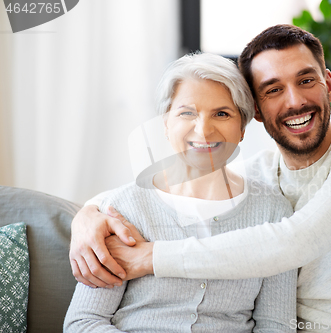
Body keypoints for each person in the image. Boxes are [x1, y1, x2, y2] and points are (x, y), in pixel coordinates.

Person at [70, 25, 331, 332]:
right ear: (256, 112)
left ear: (329, 85)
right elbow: (179, 187)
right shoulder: (261, 174)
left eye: (305, 81)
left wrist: (151, 257)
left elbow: (297, 240)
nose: (294, 101)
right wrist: (87, 215)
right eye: (273, 90)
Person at [64, 52, 297, 332]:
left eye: (222, 114)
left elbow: (276, 324)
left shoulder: (274, 213)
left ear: (242, 127)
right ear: (166, 123)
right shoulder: (121, 210)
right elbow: (84, 322)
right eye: (187, 113)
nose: (204, 129)